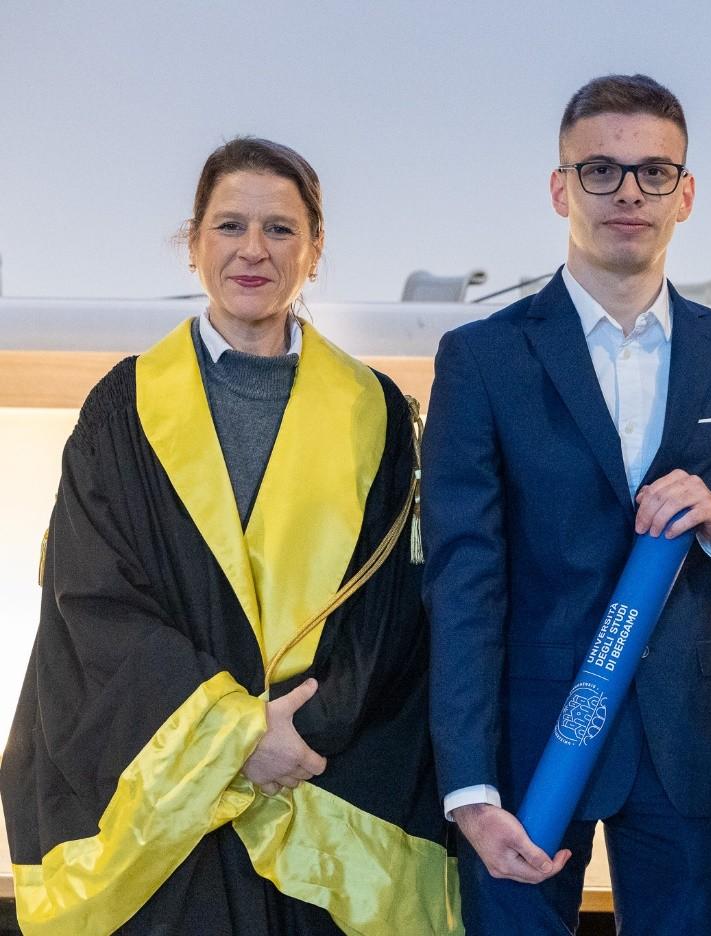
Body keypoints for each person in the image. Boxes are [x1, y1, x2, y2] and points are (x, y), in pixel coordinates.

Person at [0, 137, 458, 936]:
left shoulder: (374, 411)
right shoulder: (125, 409)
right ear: (193, 243)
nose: (254, 250)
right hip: (168, 799)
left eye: (280, 229)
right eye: (230, 226)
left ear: (315, 250)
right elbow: (94, 602)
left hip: (319, 785)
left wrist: (298, 736)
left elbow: (389, 614)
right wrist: (237, 738)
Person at [423, 74, 711, 935]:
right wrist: (468, 785)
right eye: (600, 170)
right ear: (560, 188)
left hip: (688, 751)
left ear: (686, 194)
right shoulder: (482, 358)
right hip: (525, 756)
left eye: (653, 172)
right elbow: (461, 582)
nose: (628, 192)